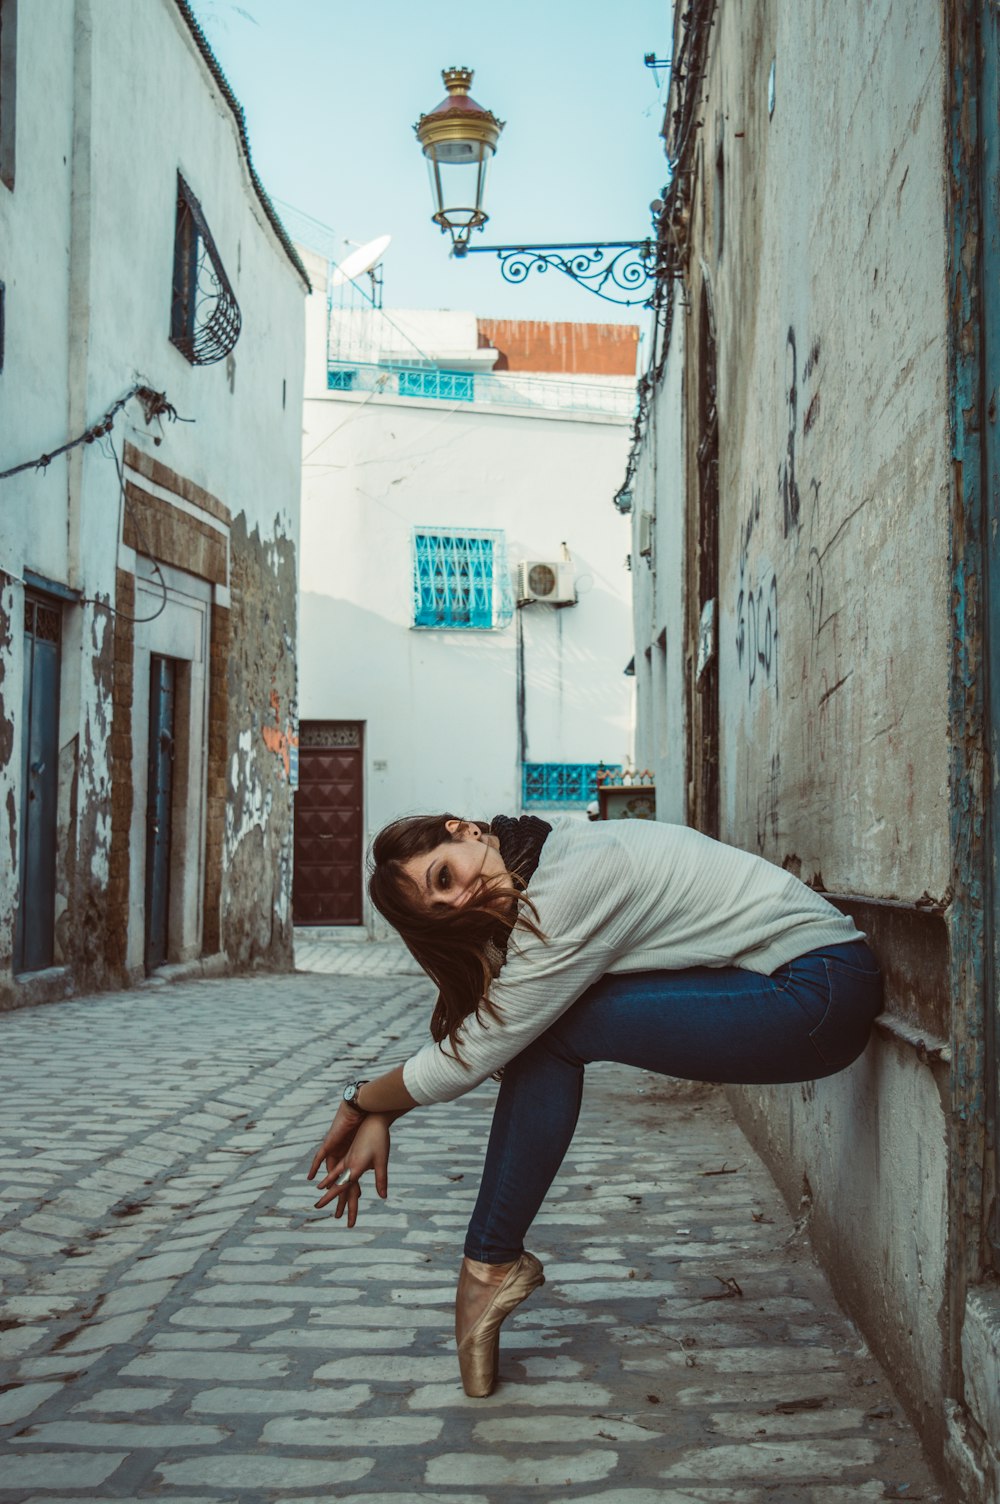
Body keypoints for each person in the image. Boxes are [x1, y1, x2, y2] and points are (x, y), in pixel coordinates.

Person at [307, 812, 882, 1398]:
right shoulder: (548, 857)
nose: (458, 901)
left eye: (446, 876)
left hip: (815, 991)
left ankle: (489, 1267)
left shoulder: (575, 878)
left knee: (549, 1033)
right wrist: (383, 1109)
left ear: (467, 831)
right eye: (440, 905)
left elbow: (482, 1046)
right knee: (542, 1029)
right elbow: (492, 1032)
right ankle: (489, 1265)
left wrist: (363, 1103)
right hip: (797, 982)